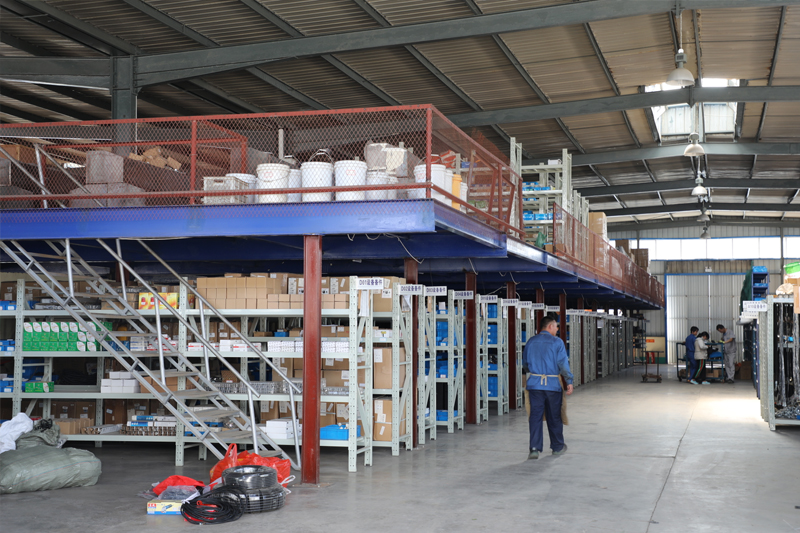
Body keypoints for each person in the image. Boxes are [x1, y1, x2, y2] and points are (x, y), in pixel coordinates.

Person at [523, 316, 574, 460]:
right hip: (552, 386)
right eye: (556, 326)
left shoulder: (531, 342)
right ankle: (557, 447)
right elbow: (563, 364)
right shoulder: (557, 342)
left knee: (535, 416)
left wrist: (536, 370)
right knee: (554, 416)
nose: (557, 329)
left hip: (534, 385)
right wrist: (569, 381)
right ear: (550, 326)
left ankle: (534, 449)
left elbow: (525, 364)